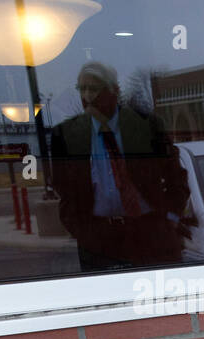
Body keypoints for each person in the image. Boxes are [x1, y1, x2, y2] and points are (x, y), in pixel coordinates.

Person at [49, 61, 190, 272]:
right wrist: (81, 231)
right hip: (98, 236)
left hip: (149, 230)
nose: (87, 96)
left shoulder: (147, 126)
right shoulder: (66, 135)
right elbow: (63, 187)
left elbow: (176, 177)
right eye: (82, 89)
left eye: (94, 89)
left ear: (113, 90)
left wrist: (169, 219)